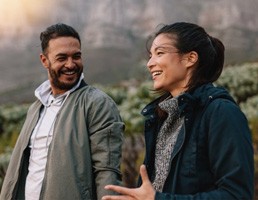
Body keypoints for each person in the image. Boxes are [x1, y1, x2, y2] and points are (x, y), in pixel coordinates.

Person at [102, 22, 254, 199]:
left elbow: (237, 195)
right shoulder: (162, 116)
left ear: (190, 58)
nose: (150, 63)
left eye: (159, 53)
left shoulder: (221, 112)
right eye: (150, 55)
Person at [0, 23, 124, 200]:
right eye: (62, 58)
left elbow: (107, 172)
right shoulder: (36, 107)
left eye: (76, 56)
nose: (71, 64)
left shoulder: (97, 103)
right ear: (45, 61)